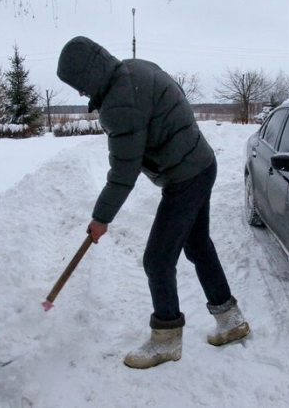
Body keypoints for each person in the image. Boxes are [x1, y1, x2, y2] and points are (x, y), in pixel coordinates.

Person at [57, 36, 250, 369]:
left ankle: (166, 339)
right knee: (198, 245)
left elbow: (123, 171)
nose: (80, 93)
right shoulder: (132, 69)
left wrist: (101, 217)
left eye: (78, 85)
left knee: (157, 260)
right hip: (201, 163)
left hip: (185, 176)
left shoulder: (119, 104)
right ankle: (230, 320)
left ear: (87, 75)